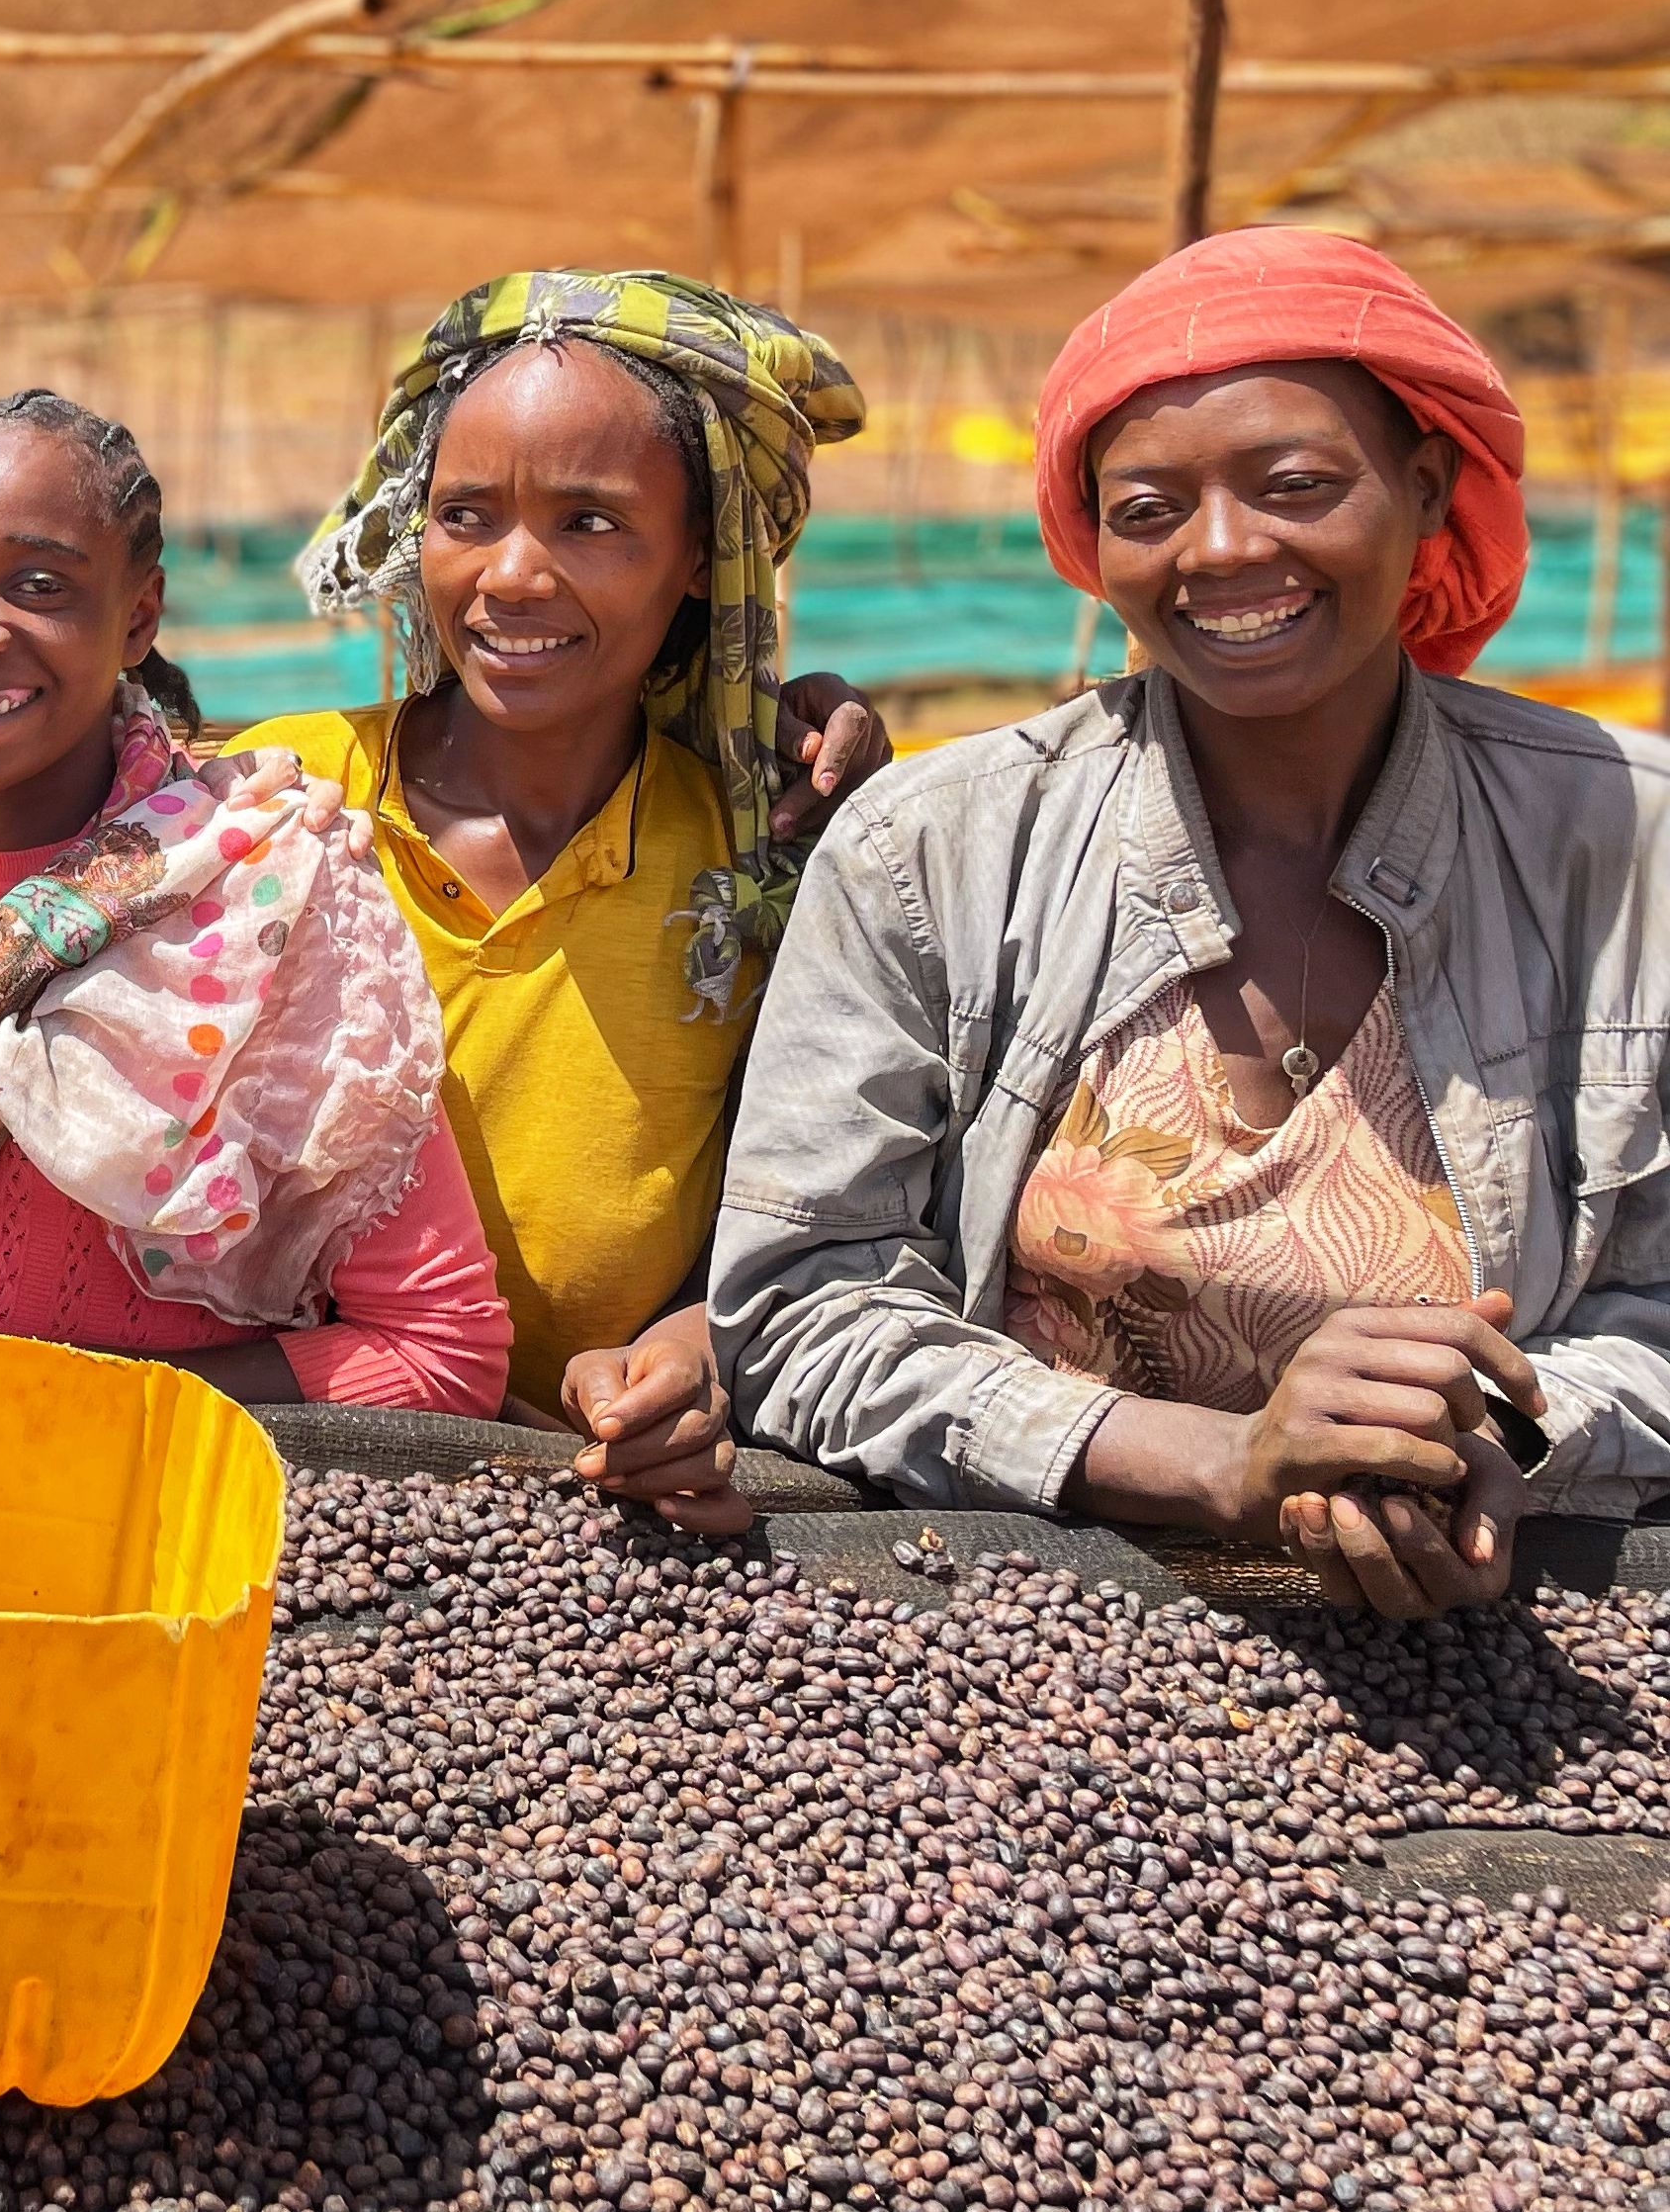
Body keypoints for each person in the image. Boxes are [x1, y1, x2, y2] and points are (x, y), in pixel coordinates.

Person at [713, 229, 1670, 1616]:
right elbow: (800, 1299)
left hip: (1501, 1604)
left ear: (1425, 485)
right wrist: (1215, 1463)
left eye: (1296, 486)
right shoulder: (933, 851)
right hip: (1035, 1619)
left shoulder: (1630, 840)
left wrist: (1488, 1439)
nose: (1221, 549)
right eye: (1150, 508)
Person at [229, 272, 879, 1528]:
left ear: (702, 559)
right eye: (466, 515)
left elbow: (817, 1201)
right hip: (270, 1454)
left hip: (600, 1491)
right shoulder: (285, 796)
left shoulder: (755, 855)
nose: (514, 575)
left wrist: (687, 1349)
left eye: (591, 522)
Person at [0, 390, 513, 1411]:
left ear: (138, 616)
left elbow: (440, 1352)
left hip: (148, 1495)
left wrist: (56, 1406)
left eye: (38, 584)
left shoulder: (270, 902)